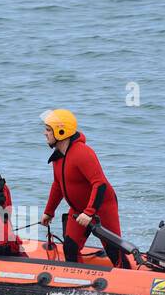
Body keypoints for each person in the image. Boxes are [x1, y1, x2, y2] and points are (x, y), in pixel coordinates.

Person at [38, 109, 127, 266]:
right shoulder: (58, 157)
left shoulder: (82, 153)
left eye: (48, 130)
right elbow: (57, 185)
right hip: (78, 210)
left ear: (61, 131)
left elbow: (99, 184)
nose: (45, 133)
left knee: (114, 251)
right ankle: (77, 285)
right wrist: (48, 212)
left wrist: (89, 213)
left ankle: (130, 282)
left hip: (102, 208)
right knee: (70, 247)